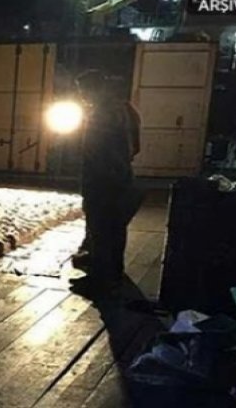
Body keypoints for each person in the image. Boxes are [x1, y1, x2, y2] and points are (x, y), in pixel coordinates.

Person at [71, 70, 142, 300]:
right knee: (115, 231)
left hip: (103, 182)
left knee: (101, 230)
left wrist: (97, 176)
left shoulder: (102, 113)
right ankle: (113, 275)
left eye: (83, 91)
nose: (82, 97)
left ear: (95, 89)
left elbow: (96, 151)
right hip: (121, 178)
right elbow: (135, 145)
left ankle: (101, 282)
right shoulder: (125, 109)